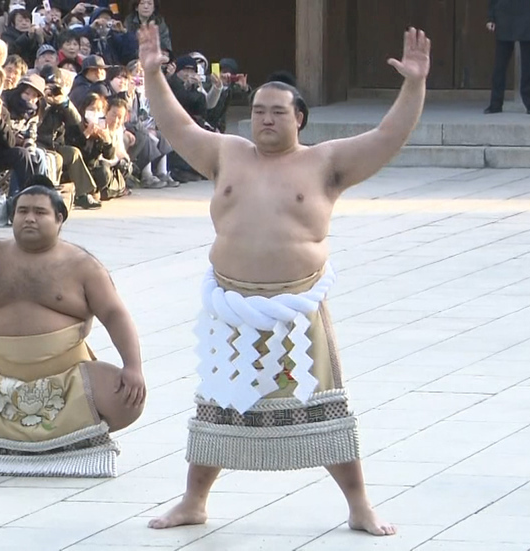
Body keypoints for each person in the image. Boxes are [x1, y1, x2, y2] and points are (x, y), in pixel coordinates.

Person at [139, 23, 430, 536]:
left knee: (325, 407)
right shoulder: (226, 153)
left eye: (277, 111)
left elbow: (388, 137)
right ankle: (194, 500)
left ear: (299, 118)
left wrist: (415, 84)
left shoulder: (326, 163)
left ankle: (359, 504)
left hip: (297, 308)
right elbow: (175, 123)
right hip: (231, 305)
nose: (265, 119)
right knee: (218, 405)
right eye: (257, 110)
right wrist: (151, 74)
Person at [0, 185, 148, 476]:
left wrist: (133, 366)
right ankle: (5, 436)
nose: (29, 218)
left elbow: (114, 314)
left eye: (40, 212)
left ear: (60, 219)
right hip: (2, 377)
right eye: (22, 211)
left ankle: (56, 435)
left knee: (128, 400)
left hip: (68, 375)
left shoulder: (83, 265)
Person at [484, 0, 530, 115]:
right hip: (505, 13)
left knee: (529, 64)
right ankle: (495, 103)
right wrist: (491, 17)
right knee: (500, 64)